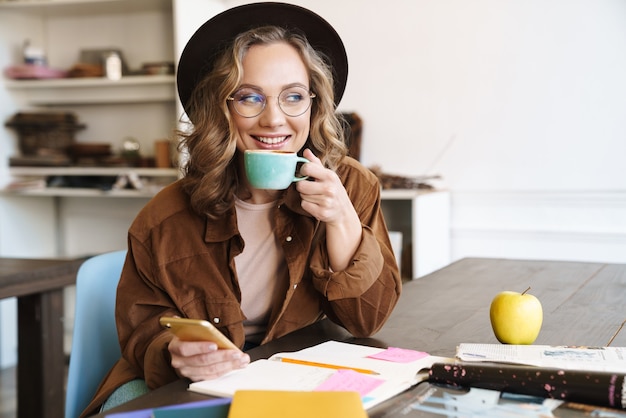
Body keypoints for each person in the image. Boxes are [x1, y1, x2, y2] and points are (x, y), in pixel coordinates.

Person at [81, 3, 401, 416]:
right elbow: (142, 330)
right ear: (221, 107)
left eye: (293, 97)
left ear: (314, 104)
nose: (274, 120)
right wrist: (172, 350)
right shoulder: (164, 217)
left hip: (293, 372)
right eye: (250, 97)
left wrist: (341, 220)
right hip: (189, 384)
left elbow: (366, 321)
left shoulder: (351, 186)